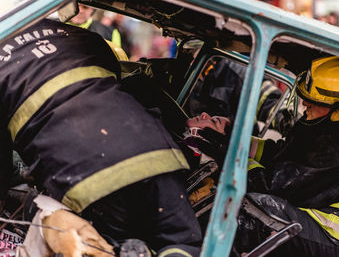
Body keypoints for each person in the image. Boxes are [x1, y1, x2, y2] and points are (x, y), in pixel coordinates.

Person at [0, 18, 202, 256]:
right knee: (182, 242)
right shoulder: (75, 33)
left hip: (88, 177)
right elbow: (117, 85)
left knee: (114, 247)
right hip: (154, 151)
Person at [235, 56, 339, 256]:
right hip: (337, 223)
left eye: (313, 100)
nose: (304, 103)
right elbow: (287, 158)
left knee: (257, 209)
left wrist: (232, 155)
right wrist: (239, 142)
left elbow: (272, 186)